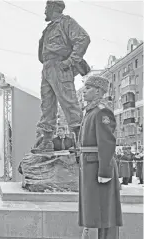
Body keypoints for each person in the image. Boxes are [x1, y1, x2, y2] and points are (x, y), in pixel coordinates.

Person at [32, 0, 91, 153]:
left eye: (46, 8)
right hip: (47, 67)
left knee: (69, 102)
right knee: (47, 105)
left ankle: (80, 140)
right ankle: (47, 141)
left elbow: (83, 38)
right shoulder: (49, 28)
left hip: (60, 66)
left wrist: (70, 61)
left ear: (53, 8)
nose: (44, 11)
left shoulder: (66, 22)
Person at [78, 76, 122, 239]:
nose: (84, 91)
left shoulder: (102, 111)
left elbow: (107, 143)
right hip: (90, 165)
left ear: (98, 91)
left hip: (99, 166)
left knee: (106, 211)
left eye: (88, 88)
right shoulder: (90, 111)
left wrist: (104, 171)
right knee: (94, 210)